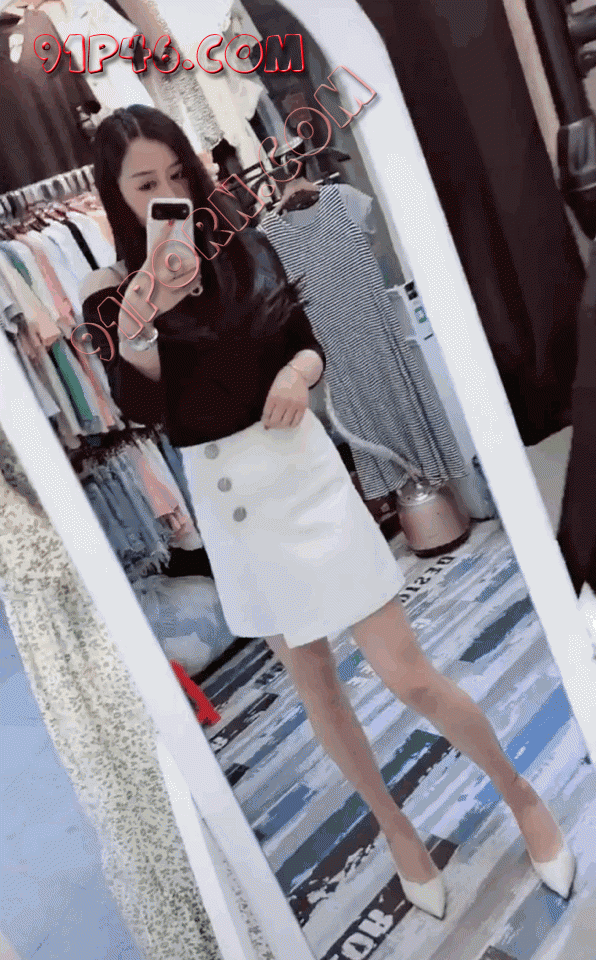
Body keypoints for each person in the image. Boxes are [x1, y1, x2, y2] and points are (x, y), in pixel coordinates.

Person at [80, 105, 575, 920]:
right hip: (233, 500)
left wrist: (297, 375)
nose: (169, 194)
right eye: (145, 184)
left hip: (301, 470)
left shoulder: (242, 244)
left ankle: (519, 794)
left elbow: (306, 342)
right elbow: (145, 411)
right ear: (115, 194)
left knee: (408, 675)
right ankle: (396, 829)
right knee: (320, 692)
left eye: (176, 175)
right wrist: (142, 319)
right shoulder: (110, 294)